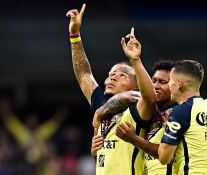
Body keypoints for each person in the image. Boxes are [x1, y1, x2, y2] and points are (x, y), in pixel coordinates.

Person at [66, 4, 156, 175]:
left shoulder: (139, 107)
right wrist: (74, 35)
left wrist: (100, 112)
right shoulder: (103, 101)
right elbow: (84, 74)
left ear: (137, 83)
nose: (111, 77)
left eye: (122, 75)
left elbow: (141, 96)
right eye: (110, 74)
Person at [91, 60, 176, 175]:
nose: (155, 86)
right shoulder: (156, 114)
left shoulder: (177, 114)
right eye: (153, 81)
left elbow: (166, 155)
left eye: (162, 82)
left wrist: (134, 139)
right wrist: (97, 153)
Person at [158, 60, 207, 175]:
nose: (169, 85)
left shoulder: (181, 112)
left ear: (179, 83)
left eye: (170, 80)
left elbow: (163, 158)